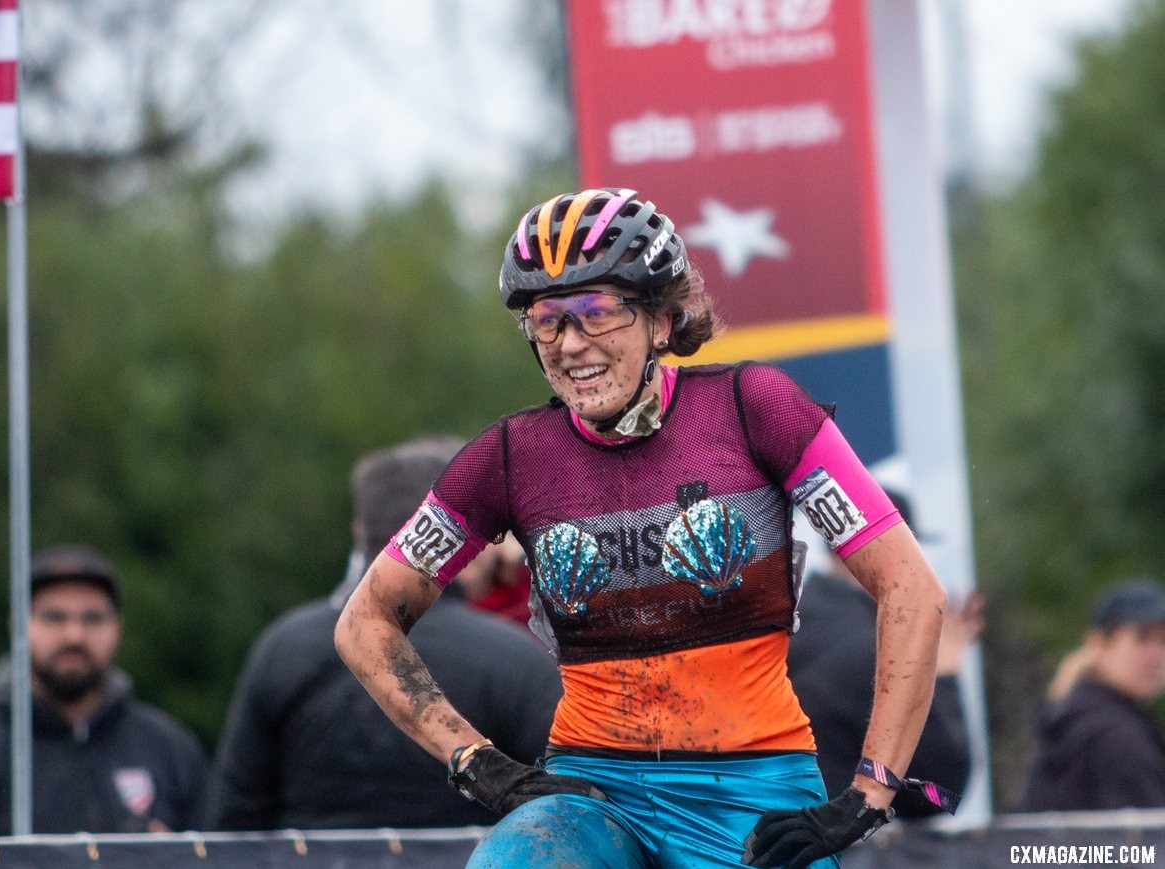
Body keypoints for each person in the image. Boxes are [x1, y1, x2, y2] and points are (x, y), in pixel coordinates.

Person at [334, 188, 954, 869]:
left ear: (662, 320)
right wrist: (474, 759)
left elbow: (910, 587)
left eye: (597, 312)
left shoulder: (756, 409)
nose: (571, 345)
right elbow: (364, 622)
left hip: (750, 789)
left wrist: (873, 787)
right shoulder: (510, 456)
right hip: (592, 794)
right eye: (547, 320)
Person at [206, 437, 563, 830]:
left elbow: (234, 820)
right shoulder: (514, 658)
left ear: (361, 532)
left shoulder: (283, 648)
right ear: (462, 537)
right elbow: (566, 807)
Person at [0, 544, 209, 834]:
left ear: (118, 626)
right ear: (17, 625)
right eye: (55, 617)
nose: (75, 635)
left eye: (93, 618)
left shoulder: (171, 750)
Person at [787, 489, 981, 819]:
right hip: (831, 848)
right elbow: (940, 793)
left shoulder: (788, 622)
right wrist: (945, 673)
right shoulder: (881, 645)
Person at [1013, 577, 1165, 812]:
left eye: (1163, 639)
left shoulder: (1074, 713)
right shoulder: (1114, 734)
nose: (1156, 655)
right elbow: (1151, 842)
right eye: (1141, 638)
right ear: (1098, 644)